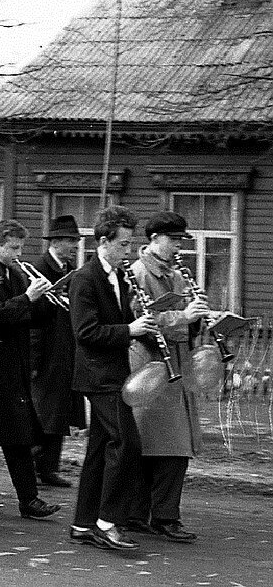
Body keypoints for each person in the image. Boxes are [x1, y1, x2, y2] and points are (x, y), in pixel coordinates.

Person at [68, 205, 157, 550]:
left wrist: (138, 319)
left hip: (113, 373)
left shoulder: (118, 277)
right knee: (127, 444)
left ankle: (83, 524)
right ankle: (107, 523)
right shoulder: (84, 279)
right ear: (103, 242)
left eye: (131, 245)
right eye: (123, 245)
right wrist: (129, 329)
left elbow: (120, 324)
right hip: (98, 376)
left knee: (100, 449)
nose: (129, 252)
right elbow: (85, 332)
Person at [125, 212, 210, 542]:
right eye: (174, 240)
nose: (178, 246)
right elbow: (140, 318)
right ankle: (160, 516)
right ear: (155, 238)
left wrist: (198, 318)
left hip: (174, 364)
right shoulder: (139, 272)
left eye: (180, 241)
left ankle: (145, 513)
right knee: (165, 445)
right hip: (151, 366)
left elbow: (180, 322)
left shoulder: (174, 273)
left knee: (167, 445)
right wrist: (183, 316)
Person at [0, 219, 62, 520]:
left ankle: (20, 498)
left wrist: (49, 301)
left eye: (21, 247)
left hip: (14, 364)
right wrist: (28, 298)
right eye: (14, 248)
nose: (19, 253)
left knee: (10, 435)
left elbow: (28, 316)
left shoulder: (14, 272)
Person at [29, 215, 85, 487]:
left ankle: (48, 468)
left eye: (75, 241)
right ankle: (34, 467)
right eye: (71, 241)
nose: (75, 245)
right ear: (57, 242)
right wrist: (34, 359)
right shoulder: (40, 268)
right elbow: (34, 319)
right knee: (43, 412)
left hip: (64, 349)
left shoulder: (68, 268)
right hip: (46, 351)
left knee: (59, 411)